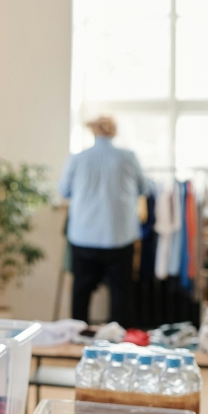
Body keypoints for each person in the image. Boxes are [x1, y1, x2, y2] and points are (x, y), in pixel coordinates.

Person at [59, 116, 147, 325]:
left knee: (81, 291)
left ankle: (78, 338)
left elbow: (64, 191)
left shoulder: (78, 158)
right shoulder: (128, 157)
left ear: (93, 132)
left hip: (83, 235)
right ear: (113, 132)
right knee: (121, 294)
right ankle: (120, 345)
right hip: (119, 236)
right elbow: (143, 189)